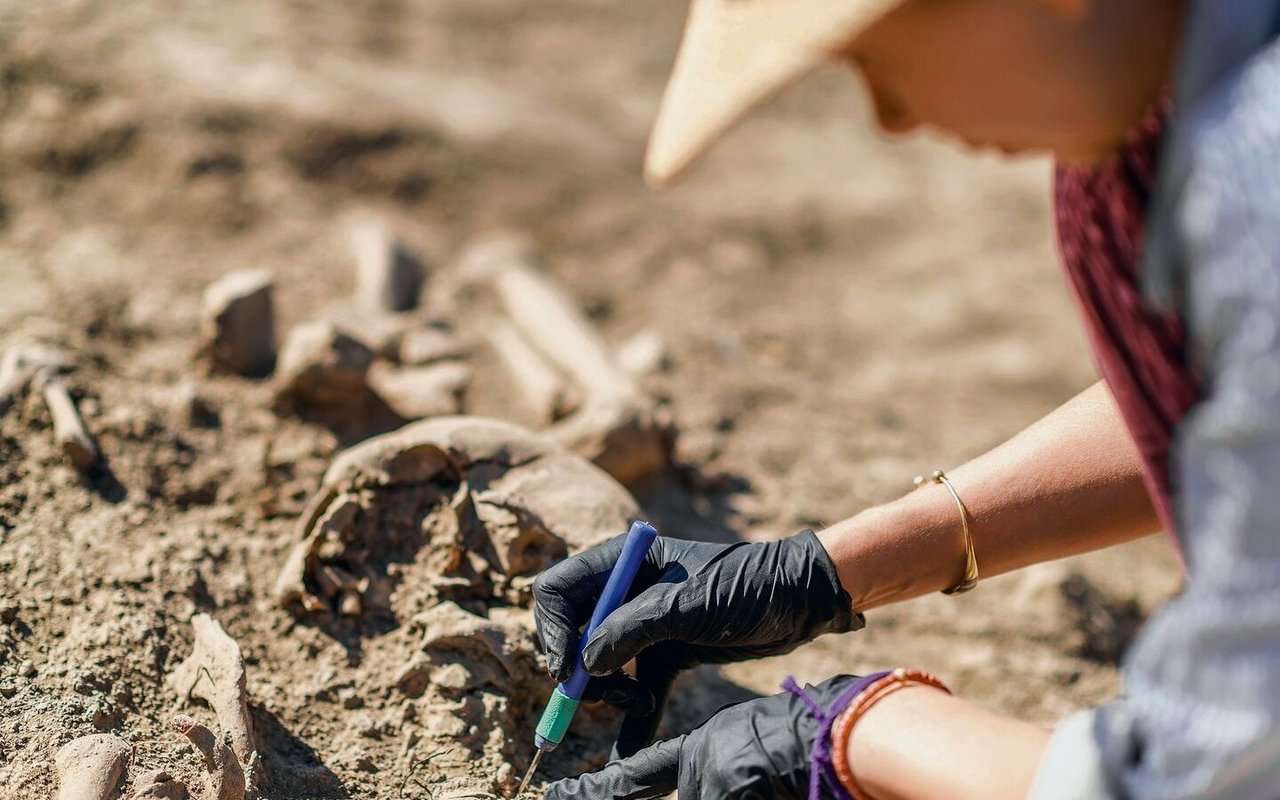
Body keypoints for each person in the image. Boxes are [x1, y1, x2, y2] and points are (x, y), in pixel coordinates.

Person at [534, 1, 1280, 798]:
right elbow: (1233, 408)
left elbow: (1206, 770)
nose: (889, 119)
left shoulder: (1252, 182)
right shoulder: (1171, 133)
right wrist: (820, 571)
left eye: (873, 59)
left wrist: (855, 730)